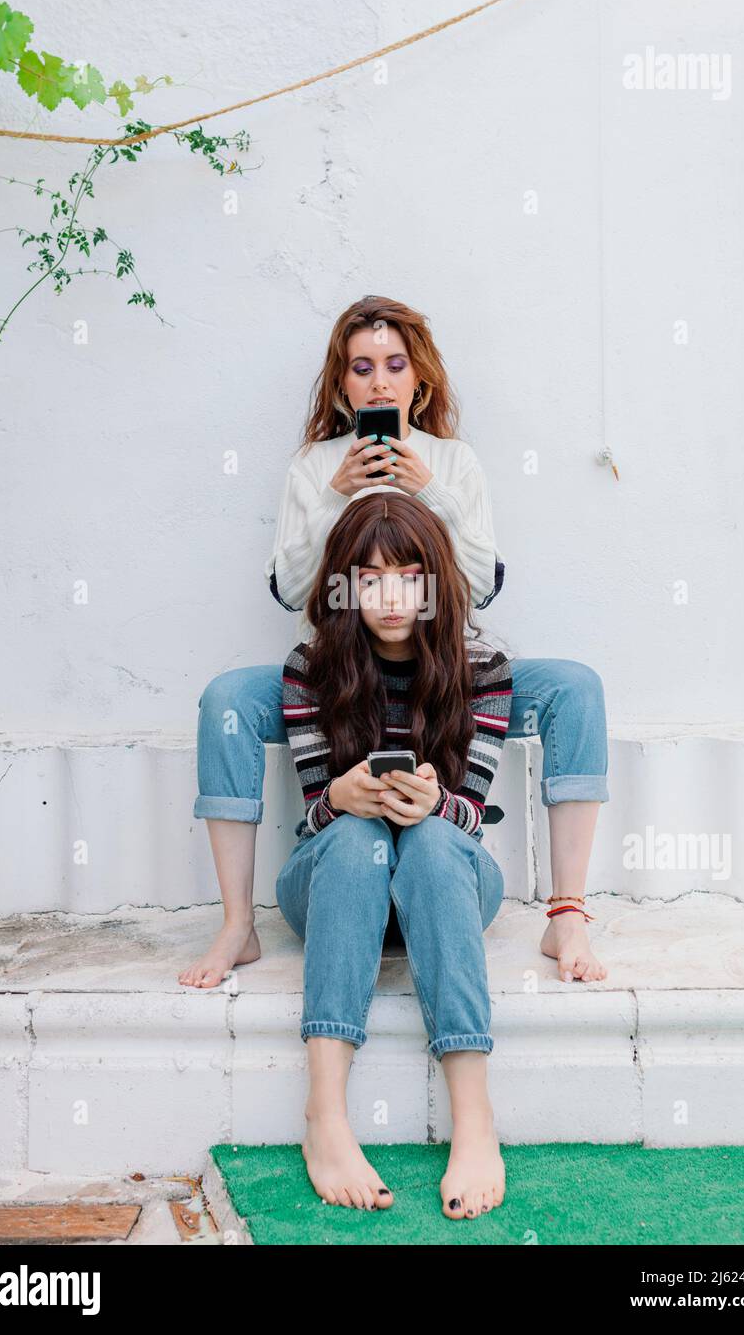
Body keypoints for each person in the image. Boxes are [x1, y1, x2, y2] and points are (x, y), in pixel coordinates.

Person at [181, 294, 608, 989]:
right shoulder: (314, 466)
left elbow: (480, 587)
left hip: (437, 663)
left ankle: (568, 912)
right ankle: (236, 923)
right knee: (227, 697)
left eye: (394, 364)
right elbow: (293, 591)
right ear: (343, 385)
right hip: (335, 671)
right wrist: (333, 497)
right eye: (360, 367)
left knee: (575, 686)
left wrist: (430, 492)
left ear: (421, 380)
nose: (379, 380)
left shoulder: (454, 462)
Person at [277, 490, 512, 1217]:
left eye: (408, 576)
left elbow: (469, 814)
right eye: (369, 578)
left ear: (435, 581)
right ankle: (326, 1117)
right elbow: (315, 814)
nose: (389, 596)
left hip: (444, 882)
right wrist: (340, 801)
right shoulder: (309, 668)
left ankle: (475, 1124)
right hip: (334, 884)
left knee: (438, 843)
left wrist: (435, 805)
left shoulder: (484, 667)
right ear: (341, 585)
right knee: (353, 840)